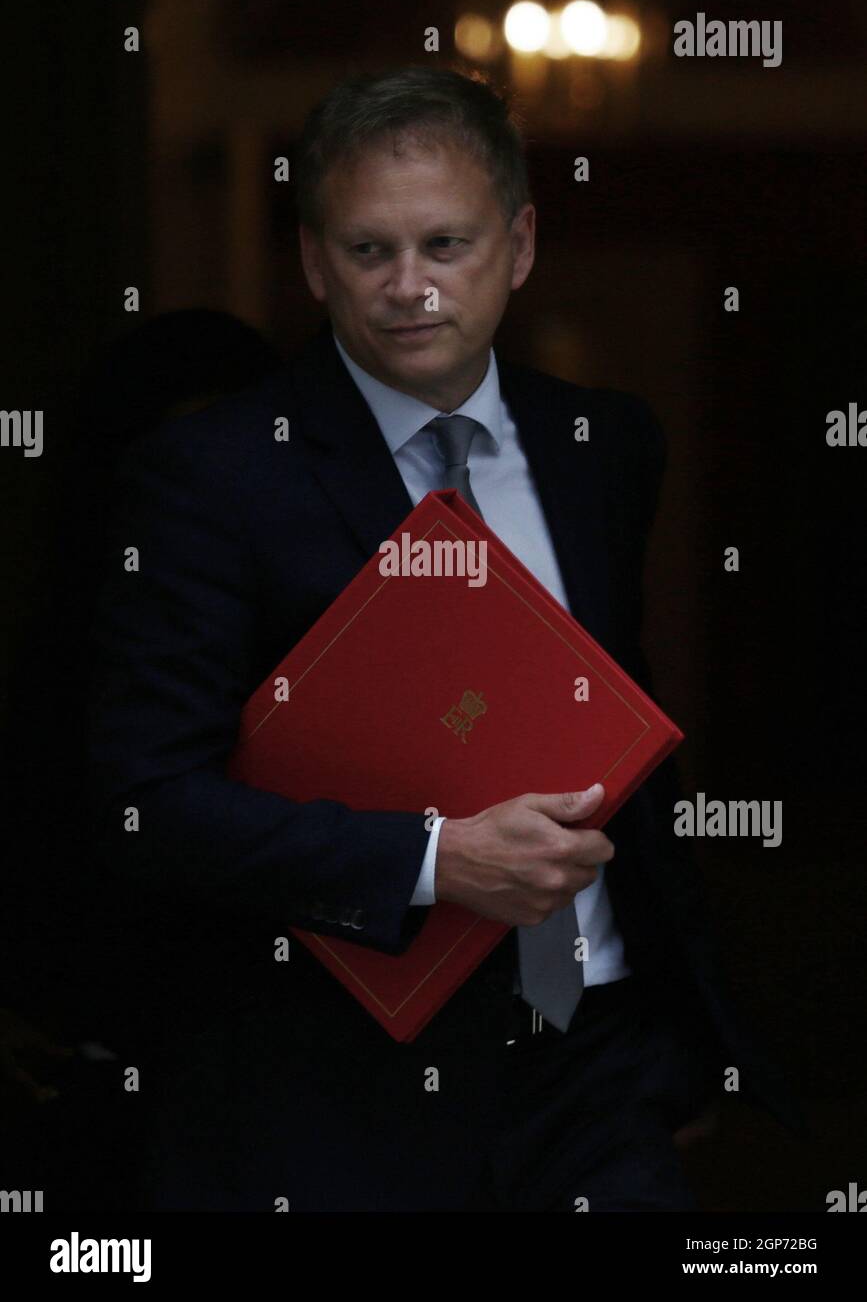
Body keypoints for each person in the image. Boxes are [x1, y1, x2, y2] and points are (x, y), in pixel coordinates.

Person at [85, 66, 804, 1212]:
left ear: (518, 245)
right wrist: (431, 860)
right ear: (315, 262)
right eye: (369, 252)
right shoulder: (212, 475)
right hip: (343, 1086)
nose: (409, 288)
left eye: (446, 245)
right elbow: (146, 800)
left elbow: (620, 725)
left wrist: (673, 1035)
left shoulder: (602, 445)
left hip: (594, 1057)